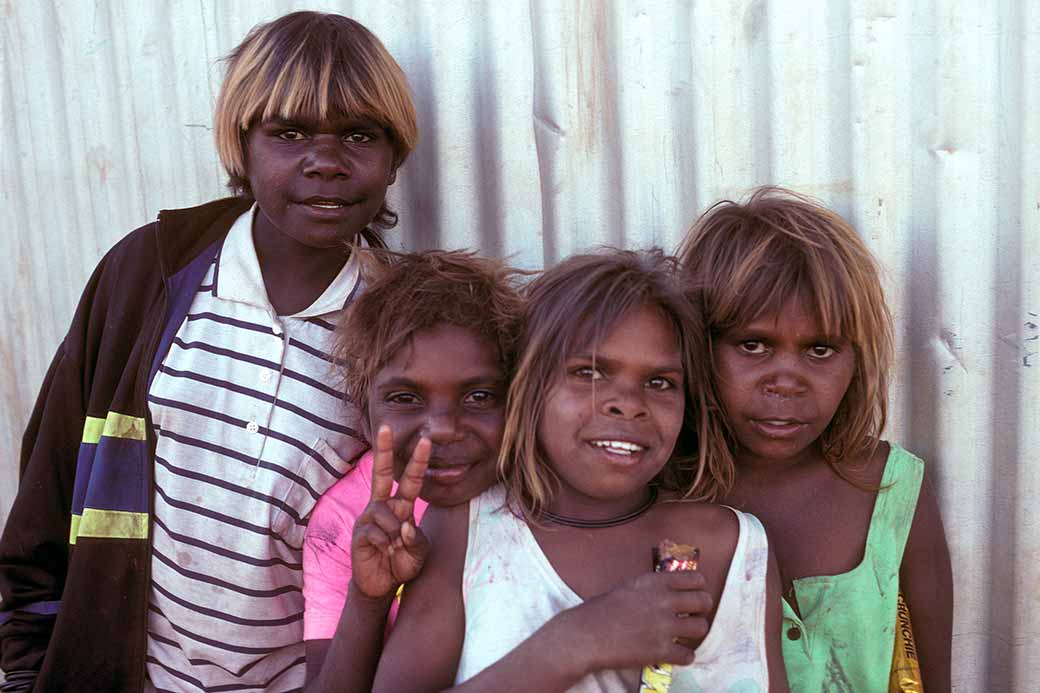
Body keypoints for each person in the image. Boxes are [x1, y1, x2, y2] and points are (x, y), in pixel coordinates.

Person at [0, 11, 418, 691]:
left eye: (359, 135)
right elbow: (49, 485)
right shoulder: (147, 278)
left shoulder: (399, 326)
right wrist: (25, 669)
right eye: (288, 133)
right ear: (240, 147)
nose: (326, 159)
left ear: (394, 155)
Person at [371, 249, 789, 692]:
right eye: (588, 372)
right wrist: (572, 645)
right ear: (530, 388)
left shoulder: (733, 548)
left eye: (660, 382)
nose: (627, 403)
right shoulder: (470, 529)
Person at [679, 186, 953, 691]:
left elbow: (933, 679)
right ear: (698, 345)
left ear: (856, 359)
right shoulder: (660, 492)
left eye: (821, 349)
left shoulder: (892, 491)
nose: (787, 379)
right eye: (753, 344)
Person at [300, 250, 523, 693]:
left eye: (479, 396)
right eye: (405, 398)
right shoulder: (345, 523)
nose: (441, 429)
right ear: (362, 416)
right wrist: (369, 598)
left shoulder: (539, 493)